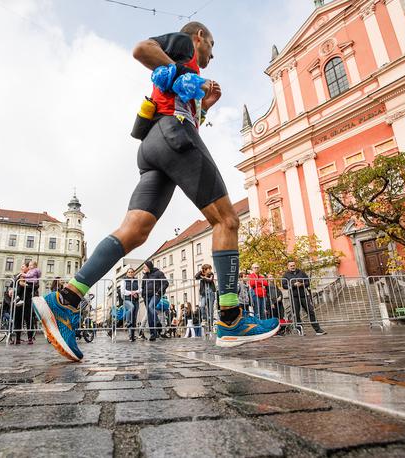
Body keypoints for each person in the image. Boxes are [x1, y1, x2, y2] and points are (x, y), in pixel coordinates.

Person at [32, 21, 279, 362]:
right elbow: (142, 49)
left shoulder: (187, 72)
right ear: (200, 37)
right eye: (211, 46)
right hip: (173, 135)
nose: (212, 55)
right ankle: (231, 319)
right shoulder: (184, 44)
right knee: (227, 221)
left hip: (154, 146)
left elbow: (183, 106)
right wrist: (189, 75)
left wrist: (205, 104)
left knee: (134, 231)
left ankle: (66, 299)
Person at [282, 261, 327, 336]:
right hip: (294, 296)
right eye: (291, 266)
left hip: (303, 295)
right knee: (296, 314)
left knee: (310, 311)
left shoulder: (301, 272)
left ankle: (318, 330)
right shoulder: (285, 275)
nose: (293, 267)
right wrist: (293, 285)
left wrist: (302, 284)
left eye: (293, 265)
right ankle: (300, 330)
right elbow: (284, 285)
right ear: (288, 266)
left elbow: (308, 282)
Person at [141, 261, 168, 341]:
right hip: (146, 296)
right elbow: (142, 287)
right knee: (149, 315)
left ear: (149, 266)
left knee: (151, 306)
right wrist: (143, 295)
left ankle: (158, 323)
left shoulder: (158, 273)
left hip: (155, 294)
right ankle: (153, 334)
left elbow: (165, 283)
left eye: (144, 266)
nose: (144, 268)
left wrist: (159, 292)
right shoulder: (145, 276)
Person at [195, 264, 216, 328]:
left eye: (210, 269)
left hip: (211, 293)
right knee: (202, 306)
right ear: (205, 270)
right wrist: (201, 272)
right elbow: (196, 277)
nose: (210, 270)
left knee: (211, 309)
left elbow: (210, 280)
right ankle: (204, 319)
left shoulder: (211, 274)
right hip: (203, 293)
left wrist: (203, 277)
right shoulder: (201, 274)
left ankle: (211, 324)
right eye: (209, 269)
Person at [122, 267, 140, 341]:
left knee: (134, 318)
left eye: (132, 272)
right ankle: (127, 321)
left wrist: (136, 292)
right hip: (127, 300)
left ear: (134, 273)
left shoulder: (136, 280)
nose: (130, 273)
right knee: (131, 307)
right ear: (127, 273)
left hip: (136, 300)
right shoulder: (124, 280)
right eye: (129, 272)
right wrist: (131, 293)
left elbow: (140, 289)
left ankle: (132, 336)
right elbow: (123, 291)